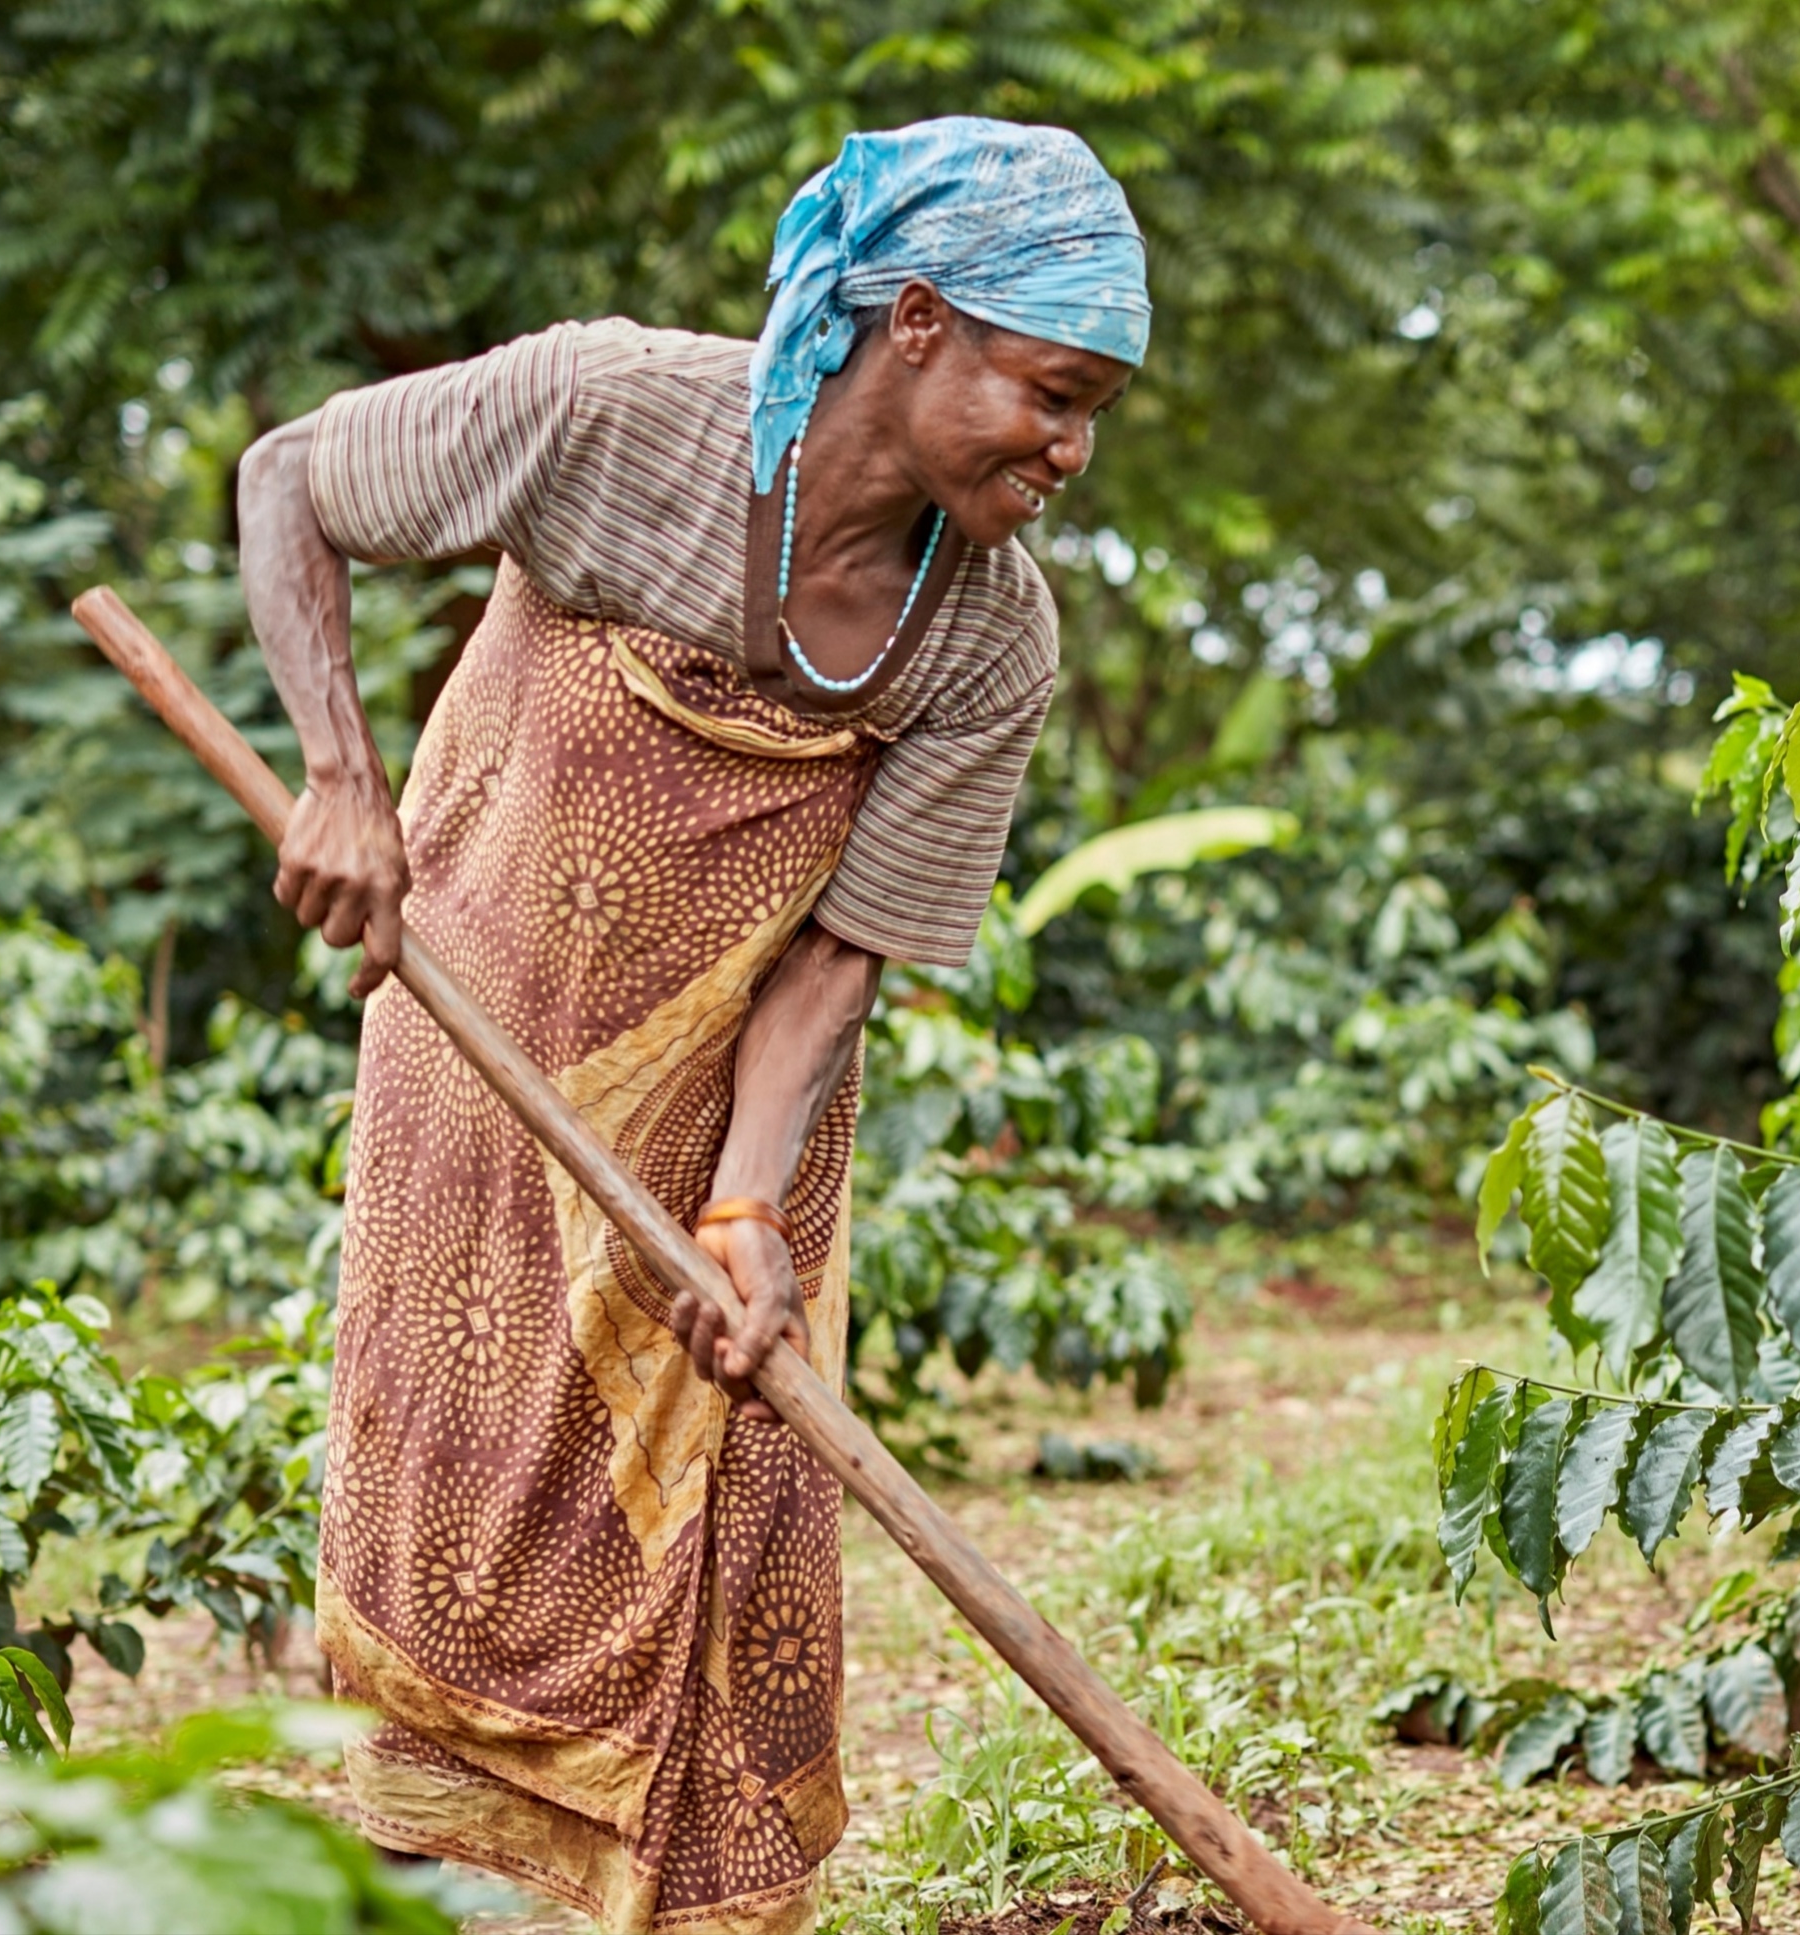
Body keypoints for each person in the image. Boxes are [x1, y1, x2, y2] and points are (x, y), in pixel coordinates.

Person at [236, 116, 1145, 1933]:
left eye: (1096, 411)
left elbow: (840, 953)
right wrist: (339, 778)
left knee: (728, 1495)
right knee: (468, 1482)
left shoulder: (988, 636)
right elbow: (291, 483)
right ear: (913, 324)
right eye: (1048, 394)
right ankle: (412, 1886)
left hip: (741, 1100)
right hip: (476, 1036)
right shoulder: (613, 411)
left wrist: (742, 1206)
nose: (1070, 450)